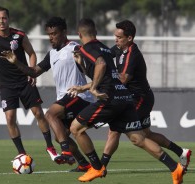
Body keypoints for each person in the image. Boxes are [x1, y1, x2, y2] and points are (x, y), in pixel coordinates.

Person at [66, 18, 185, 183]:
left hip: (111, 99)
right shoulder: (107, 49)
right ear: (96, 32)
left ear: (79, 34)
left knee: (76, 128)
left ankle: (97, 167)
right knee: (139, 138)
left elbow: (100, 65)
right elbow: (106, 73)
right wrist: (83, 66)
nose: (116, 39)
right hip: (125, 98)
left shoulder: (87, 48)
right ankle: (175, 168)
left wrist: (92, 88)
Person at [0, 16, 94, 172]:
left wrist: (85, 70)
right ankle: (84, 164)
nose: (51, 37)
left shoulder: (75, 48)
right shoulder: (52, 54)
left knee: (50, 114)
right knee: (59, 136)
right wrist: (16, 62)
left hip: (79, 96)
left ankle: (65, 152)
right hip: (65, 99)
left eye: (54, 34)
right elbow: (34, 72)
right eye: (49, 34)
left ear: (64, 32)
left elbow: (90, 68)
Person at [0, 6, 59, 160]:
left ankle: (50, 147)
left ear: (8, 19)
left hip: (24, 81)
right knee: (10, 118)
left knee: (38, 114)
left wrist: (32, 72)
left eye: (4, 18)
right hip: (6, 85)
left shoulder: (19, 36)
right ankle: (22, 153)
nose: (1, 21)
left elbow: (32, 53)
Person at [100, 19, 192, 173]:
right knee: (147, 134)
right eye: (115, 36)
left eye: (119, 37)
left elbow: (123, 79)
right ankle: (181, 152)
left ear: (129, 38)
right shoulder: (119, 49)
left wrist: (104, 80)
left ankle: (101, 166)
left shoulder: (132, 53)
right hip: (138, 98)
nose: (116, 39)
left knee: (115, 129)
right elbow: (103, 56)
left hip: (139, 98)